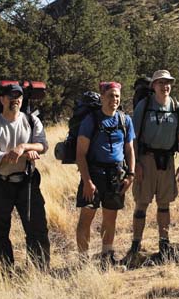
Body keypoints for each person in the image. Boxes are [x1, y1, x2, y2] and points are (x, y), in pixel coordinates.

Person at [0, 83, 50, 269]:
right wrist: (16, 155)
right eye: (11, 96)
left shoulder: (31, 121)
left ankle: (39, 270)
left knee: (37, 228)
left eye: (18, 96)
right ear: (2, 99)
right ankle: (3, 273)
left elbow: (43, 145)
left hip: (26, 181)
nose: (16, 100)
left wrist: (23, 148)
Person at [124, 70, 179, 263]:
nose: (165, 86)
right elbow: (132, 138)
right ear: (153, 86)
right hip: (146, 160)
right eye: (160, 82)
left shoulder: (176, 107)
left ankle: (164, 244)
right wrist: (135, 166)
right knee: (141, 203)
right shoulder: (144, 106)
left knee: (164, 204)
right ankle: (136, 245)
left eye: (168, 82)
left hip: (167, 162)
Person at [75, 82, 135, 267]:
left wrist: (130, 174)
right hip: (94, 175)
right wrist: (87, 181)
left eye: (117, 96)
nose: (114, 100)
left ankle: (107, 256)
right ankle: (83, 261)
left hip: (116, 175)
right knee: (87, 217)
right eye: (110, 96)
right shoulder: (91, 120)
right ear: (102, 97)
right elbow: (80, 154)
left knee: (111, 218)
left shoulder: (125, 120)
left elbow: (129, 149)